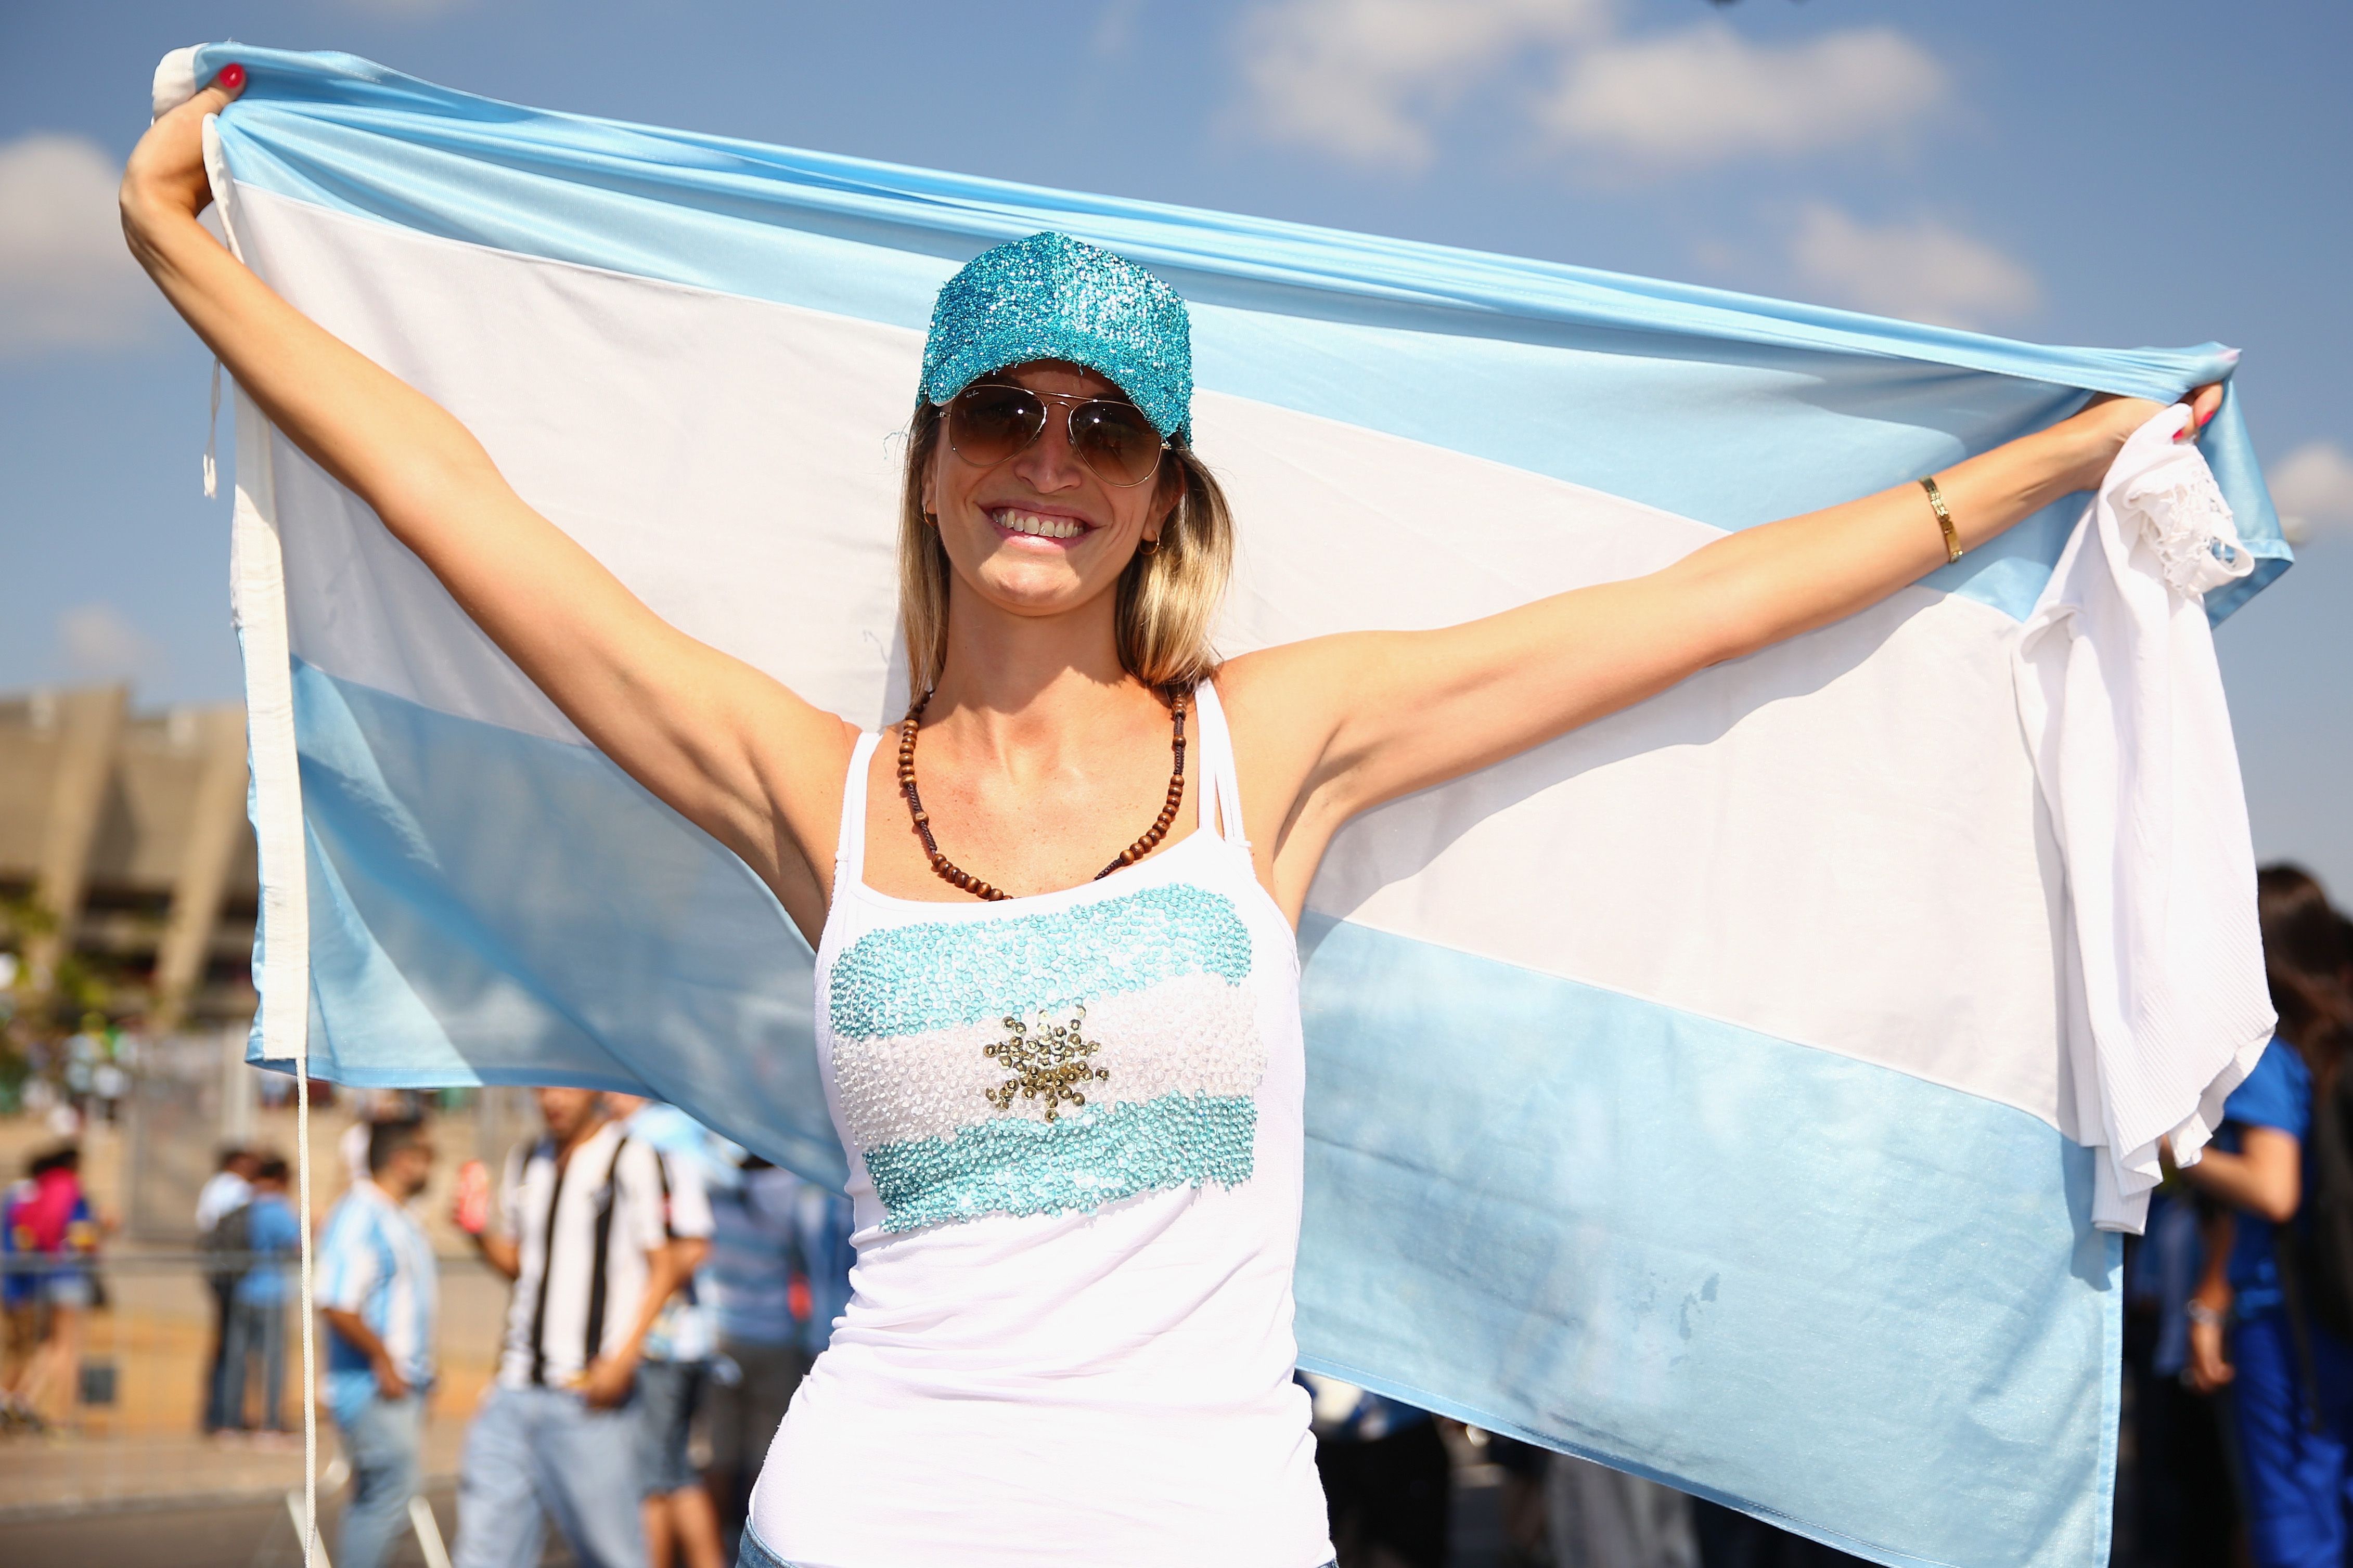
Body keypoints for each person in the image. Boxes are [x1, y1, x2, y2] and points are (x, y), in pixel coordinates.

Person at [123, 67, 2228, 1567]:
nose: (1050, 453)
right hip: (864, 1515)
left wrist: (2033, 470)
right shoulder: (815, 789)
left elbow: (1674, 615)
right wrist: (184, 256)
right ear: (935, 456)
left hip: (1206, 1524)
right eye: (1005, 409)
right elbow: (459, 509)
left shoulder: (1266, 748)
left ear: (1156, 487)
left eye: (1102, 424)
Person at [2179, 864, 2353, 1567]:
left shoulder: (2262, 1050)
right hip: (2332, 1297)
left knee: (2288, 1512)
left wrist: (2174, 1149)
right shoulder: (2329, 1043)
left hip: (2282, 1317)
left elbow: (2269, 1189)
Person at [455, 1086, 701, 1568]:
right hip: (512, 1388)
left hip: (586, 1395)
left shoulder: (634, 1156)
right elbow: (524, 1265)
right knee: (485, 1553)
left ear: (594, 1087)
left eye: (564, 1085)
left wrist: (624, 1357)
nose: (553, 1099)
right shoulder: (527, 1158)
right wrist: (476, 1232)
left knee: (614, 1553)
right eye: (542, 1087)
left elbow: (667, 1264)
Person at [318, 1116, 441, 1568]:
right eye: (428, 1155)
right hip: (372, 1388)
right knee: (390, 1492)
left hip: (400, 1384)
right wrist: (384, 1358)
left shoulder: (396, 1215)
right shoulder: (360, 1214)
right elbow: (336, 1301)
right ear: (402, 1160)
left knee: (379, 1496)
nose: (434, 1166)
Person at [605, 1095, 722, 1568]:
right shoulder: (672, 1136)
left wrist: (643, 1314)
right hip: (682, 1342)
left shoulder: (658, 1141)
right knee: (674, 1473)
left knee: (647, 1481)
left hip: (665, 1346)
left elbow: (691, 1246)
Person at [702, 1155, 812, 1559]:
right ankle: (753, 1543)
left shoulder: (716, 1184)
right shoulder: (793, 1189)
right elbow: (804, 1261)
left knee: (719, 1447)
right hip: (775, 1335)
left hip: (721, 1334)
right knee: (763, 1450)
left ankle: (715, 1546)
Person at [0, 1145, 100, 1428]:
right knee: (68, 1348)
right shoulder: (70, 1190)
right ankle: (60, 1416)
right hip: (69, 1276)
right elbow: (81, 1236)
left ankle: (20, 1398)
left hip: (45, 1276)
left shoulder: (42, 1190)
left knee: (49, 1344)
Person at [217, 1155, 301, 1437]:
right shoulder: (277, 1209)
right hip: (271, 1294)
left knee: (237, 1360)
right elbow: (297, 1245)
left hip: (242, 1290)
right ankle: (271, 1424)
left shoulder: (246, 1206)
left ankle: (229, 1422)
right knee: (273, 1362)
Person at [196, 1145, 258, 1432]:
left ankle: (219, 1413)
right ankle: (225, 1415)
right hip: (231, 1275)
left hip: (219, 1272)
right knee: (233, 1345)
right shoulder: (235, 1189)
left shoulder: (215, 1188)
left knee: (225, 1344)